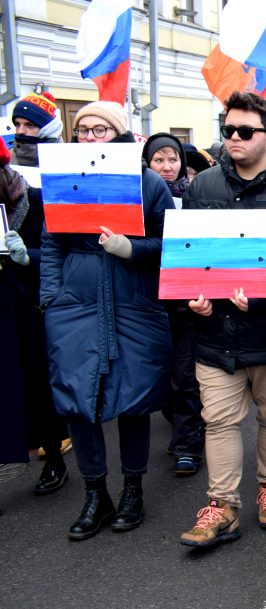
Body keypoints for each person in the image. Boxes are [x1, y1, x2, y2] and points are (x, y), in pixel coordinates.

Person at [178, 92, 266, 548]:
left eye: (244, 131)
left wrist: (265, 304)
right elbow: (188, 257)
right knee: (218, 421)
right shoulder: (202, 187)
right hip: (214, 330)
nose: (233, 139)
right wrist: (192, 300)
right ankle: (221, 506)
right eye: (227, 131)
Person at [41, 101, 175, 540]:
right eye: (83, 130)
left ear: (118, 135)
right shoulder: (63, 181)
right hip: (76, 303)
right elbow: (51, 243)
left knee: (132, 397)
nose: (91, 138)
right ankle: (95, 493)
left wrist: (130, 249)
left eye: (101, 130)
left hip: (132, 297)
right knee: (78, 400)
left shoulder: (148, 182)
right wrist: (52, 298)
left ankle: (132, 489)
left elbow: (171, 243)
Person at [0, 137, 70, 494]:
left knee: (37, 384)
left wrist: (29, 256)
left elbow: (61, 251)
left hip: (28, 308)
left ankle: (54, 456)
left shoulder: (36, 200)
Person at [142, 132, 206, 476]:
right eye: (158, 160)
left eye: (172, 159)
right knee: (161, 376)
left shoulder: (194, 197)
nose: (167, 167)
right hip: (150, 302)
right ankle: (185, 426)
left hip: (186, 300)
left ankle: (188, 443)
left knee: (185, 378)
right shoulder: (138, 200)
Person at [10, 91, 63, 167]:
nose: (20, 131)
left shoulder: (67, 159)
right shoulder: (5, 160)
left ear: (47, 129)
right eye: (17, 124)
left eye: (29, 125)